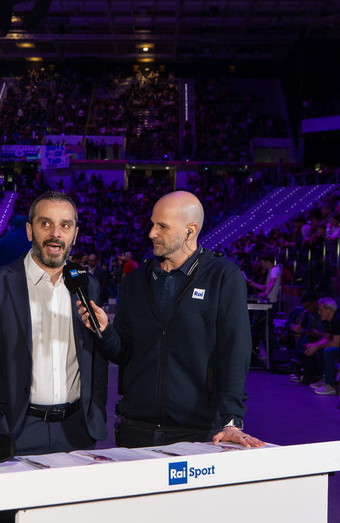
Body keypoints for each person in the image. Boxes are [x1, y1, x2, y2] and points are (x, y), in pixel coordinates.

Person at [0, 191, 108, 523]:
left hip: (75, 432)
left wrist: (94, 414)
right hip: (16, 431)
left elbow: (96, 358)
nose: (55, 233)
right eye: (46, 223)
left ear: (75, 233)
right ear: (30, 230)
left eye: (65, 225)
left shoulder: (89, 286)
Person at [79, 191, 264, 448]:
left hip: (197, 430)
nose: (151, 233)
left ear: (190, 230)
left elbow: (235, 352)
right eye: (152, 224)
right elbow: (123, 353)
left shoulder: (222, 277)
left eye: (162, 226)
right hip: (136, 427)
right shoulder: (136, 281)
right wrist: (105, 331)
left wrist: (231, 420)